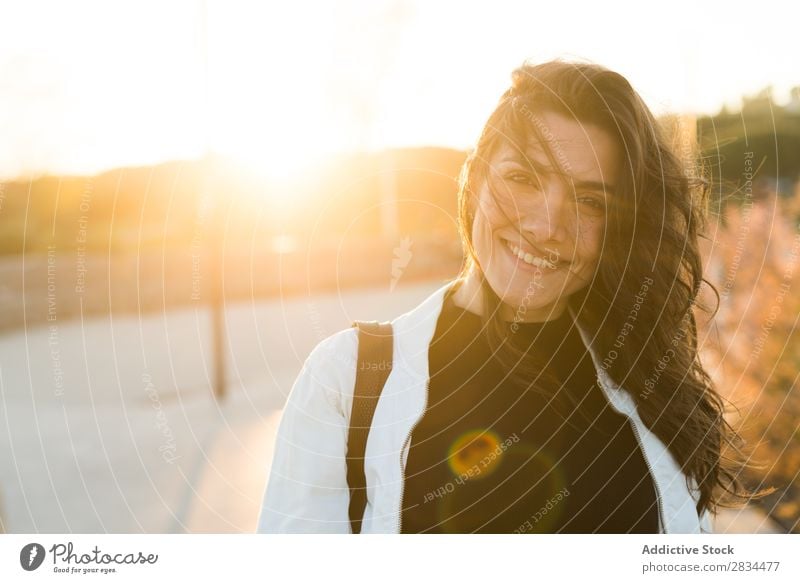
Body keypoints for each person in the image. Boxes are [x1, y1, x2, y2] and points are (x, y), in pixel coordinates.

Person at [257, 59, 765, 534]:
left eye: (590, 201)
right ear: (475, 180)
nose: (547, 227)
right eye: (523, 178)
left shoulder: (648, 375)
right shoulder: (347, 381)